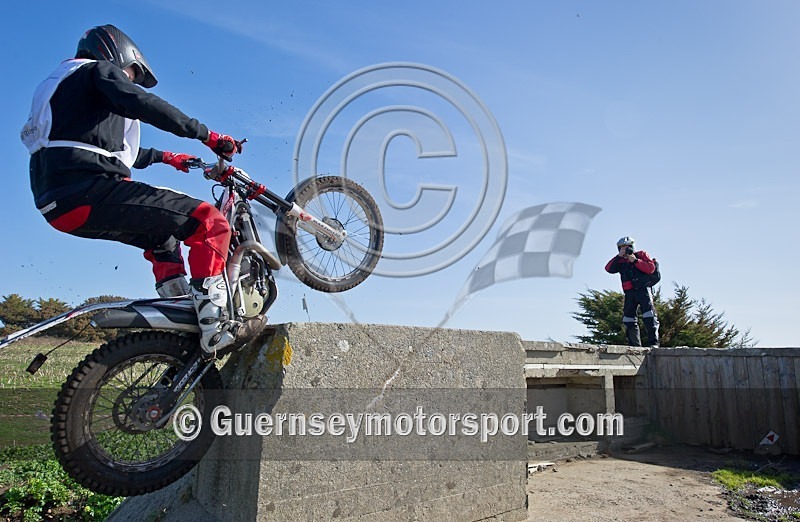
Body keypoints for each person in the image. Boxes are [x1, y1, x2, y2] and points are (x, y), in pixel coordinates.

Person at [21, 24, 263, 359]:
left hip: (60, 204)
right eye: (131, 74)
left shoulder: (61, 86)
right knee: (208, 221)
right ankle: (216, 327)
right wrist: (206, 135)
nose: (130, 82)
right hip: (88, 191)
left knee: (162, 239)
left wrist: (167, 157)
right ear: (115, 54)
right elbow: (142, 103)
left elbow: (105, 149)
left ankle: (180, 312)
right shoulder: (97, 71)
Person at [604, 236, 660, 347]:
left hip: (643, 289)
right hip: (629, 292)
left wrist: (635, 261)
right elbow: (608, 269)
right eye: (622, 248)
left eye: (627, 247)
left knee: (649, 315)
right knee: (628, 318)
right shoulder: (620, 261)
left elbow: (650, 268)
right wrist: (618, 256)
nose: (625, 250)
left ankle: (654, 343)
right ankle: (634, 345)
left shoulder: (641, 255)